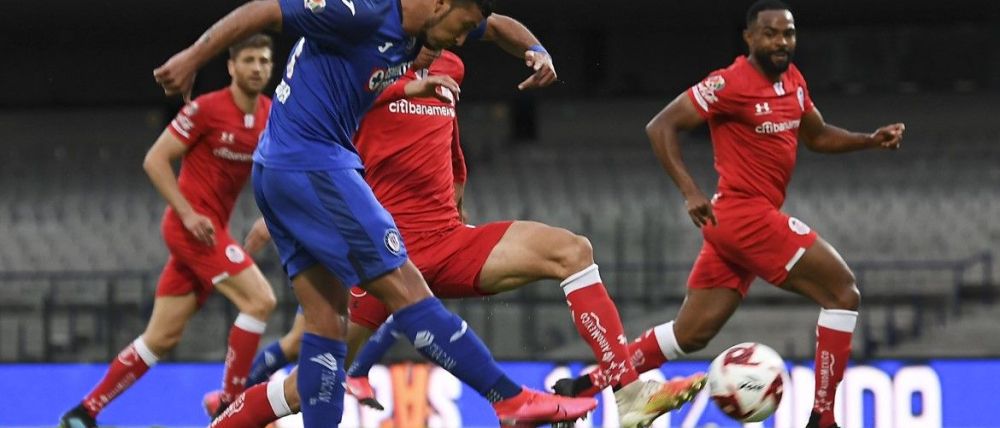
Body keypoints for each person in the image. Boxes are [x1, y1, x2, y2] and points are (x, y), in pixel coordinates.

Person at [153, 0, 598, 426]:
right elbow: (266, 10)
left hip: (279, 168)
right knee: (407, 289)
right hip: (315, 163)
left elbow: (495, 27)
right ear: (440, 4)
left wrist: (533, 49)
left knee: (327, 327)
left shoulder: (430, 20)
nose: (461, 40)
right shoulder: (362, 10)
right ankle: (509, 400)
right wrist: (194, 58)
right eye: (462, 28)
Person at [207, 51, 705, 428]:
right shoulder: (362, 64)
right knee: (308, 385)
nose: (459, 33)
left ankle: (628, 391)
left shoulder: (451, 66)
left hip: (445, 240)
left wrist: (458, 193)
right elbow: (311, 140)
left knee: (571, 250)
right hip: (380, 257)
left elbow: (449, 145)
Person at [550, 2, 905, 427]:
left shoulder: (793, 80)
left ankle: (581, 387)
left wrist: (870, 140)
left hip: (736, 226)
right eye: (771, 33)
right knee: (843, 293)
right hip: (744, 216)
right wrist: (690, 190)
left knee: (689, 335)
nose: (781, 41)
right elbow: (660, 126)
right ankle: (823, 418)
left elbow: (817, 136)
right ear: (750, 37)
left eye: (788, 33)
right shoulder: (729, 83)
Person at [59, 34, 279, 428]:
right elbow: (155, 160)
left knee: (160, 338)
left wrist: (272, 219)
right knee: (260, 300)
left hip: (212, 233)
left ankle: (83, 412)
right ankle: (230, 406)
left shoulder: (272, 116)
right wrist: (188, 214)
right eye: (249, 60)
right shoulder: (206, 109)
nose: (257, 67)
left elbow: (285, 172)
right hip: (189, 229)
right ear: (231, 67)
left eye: (264, 60)